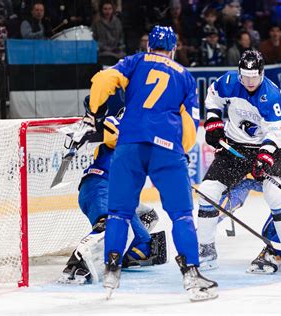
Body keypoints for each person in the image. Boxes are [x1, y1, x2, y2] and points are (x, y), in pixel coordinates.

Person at [87, 25, 218, 302]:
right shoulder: (184, 76)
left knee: (119, 213)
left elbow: (102, 81)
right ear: (173, 48)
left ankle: (112, 270)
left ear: (149, 46)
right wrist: (178, 156)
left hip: (130, 145)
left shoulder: (134, 62)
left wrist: (94, 111)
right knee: (181, 214)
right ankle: (192, 275)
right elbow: (190, 128)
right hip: (167, 150)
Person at [197, 49, 281, 271]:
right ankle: (206, 249)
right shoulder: (230, 81)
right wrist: (213, 120)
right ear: (239, 73)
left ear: (261, 73)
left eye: (254, 77)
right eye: (245, 76)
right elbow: (213, 95)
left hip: (269, 150)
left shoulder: (272, 96)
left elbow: (276, 132)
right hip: (234, 147)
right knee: (207, 192)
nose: (249, 82)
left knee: (276, 194)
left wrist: (264, 156)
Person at [58, 94, 166, 285]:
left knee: (147, 226)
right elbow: (109, 127)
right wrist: (93, 114)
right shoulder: (117, 127)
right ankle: (76, 264)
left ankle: (121, 254)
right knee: (108, 224)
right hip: (99, 187)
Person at [91, 0, 125, 66]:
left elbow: (121, 38)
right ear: (101, 10)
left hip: (116, 51)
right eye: (105, 9)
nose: (107, 11)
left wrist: (120, 48)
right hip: (102, 51)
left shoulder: (117, 22)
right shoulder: (96, 23)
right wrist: (103, 48)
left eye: (109, 9)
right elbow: (94, 39)